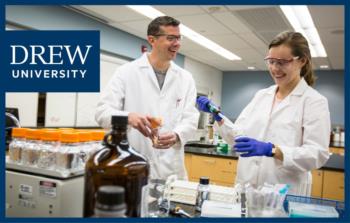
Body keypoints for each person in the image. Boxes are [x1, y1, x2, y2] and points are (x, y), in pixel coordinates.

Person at [197, 31, 330, 196]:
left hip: (283, 194)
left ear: (301, 61)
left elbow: (317, 154)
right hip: (246, 188)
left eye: (282, 62)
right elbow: (238, 137)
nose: (274, 68)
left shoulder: (313, 101)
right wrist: (218, 116)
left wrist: (272, 150)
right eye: (271, 61)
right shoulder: (262, 95)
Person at [95, 16, 199, 180]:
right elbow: (102, 113)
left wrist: (177, 135)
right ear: (152, 40)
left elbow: (191, 118)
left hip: (171, 170)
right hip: (133, 164)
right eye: (170, 38)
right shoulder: (126, 72)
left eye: (178, 38)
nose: (177, 43)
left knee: (171, 205)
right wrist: (128, 117)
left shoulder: (185, 78)